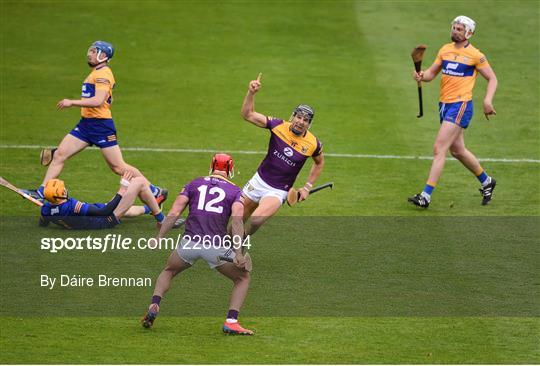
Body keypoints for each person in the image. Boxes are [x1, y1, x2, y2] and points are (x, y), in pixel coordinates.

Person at [24, 41, 165, 203]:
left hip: (101, 126)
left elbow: (98, 100)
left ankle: (154, 190)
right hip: (86, 124)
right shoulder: (97, 72)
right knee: (60, 155)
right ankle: (41, 191)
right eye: (89, 51)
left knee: (118, 167)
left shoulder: (103, 74)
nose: (89, 54)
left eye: (93, 51)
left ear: (103, 55)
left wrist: (72, 102)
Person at [141, 153, 253, 335]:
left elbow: (175, 211)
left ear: (212, 166)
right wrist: (238, 252)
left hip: (189, 243)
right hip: (216, 246)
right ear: (230, 169)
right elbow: (238, 222)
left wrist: (159, 236)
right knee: (242, 278)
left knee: (169, 270)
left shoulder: (194, 184)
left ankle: (155, 303)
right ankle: (231, 321)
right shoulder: (235, 191)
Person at [408, 16, 498, 208]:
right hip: (445, 105)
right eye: (454, 27)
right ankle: (486, 181)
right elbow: (431, 74)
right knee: (457, 150)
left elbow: (492, 78)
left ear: (468, 33)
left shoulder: (475, 55)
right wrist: (420, 75)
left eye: (459, 29)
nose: (455, 30)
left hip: (461, 105)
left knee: (439, 148)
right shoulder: (445, 49)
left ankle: (426, 195)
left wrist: (487, 100)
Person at [240, 75, 325, 235]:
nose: (300, 122)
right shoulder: (278, 125)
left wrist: (307, 187)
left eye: (305, 120)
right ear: (293, 116)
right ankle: (232, 247)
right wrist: (251, 92)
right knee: (236, 220)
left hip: (278, 190)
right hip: (258, 181)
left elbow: (319, 163)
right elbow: (248, 114)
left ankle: (244, 237)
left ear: (309, 124)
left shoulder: (313, 143)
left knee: (257, 219)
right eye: (298, 117)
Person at [39, 171, 168, 230]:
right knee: (138, 182)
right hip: (105, 219)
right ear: (61, 194)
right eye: (63, 190)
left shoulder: (46, 210)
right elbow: (104, 211)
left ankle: (152, 206)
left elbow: (43, 222)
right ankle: (162, 220)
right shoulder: (72, 206)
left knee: (126, 209)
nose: (65, 189)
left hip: (93, 216)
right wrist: (122, 190)